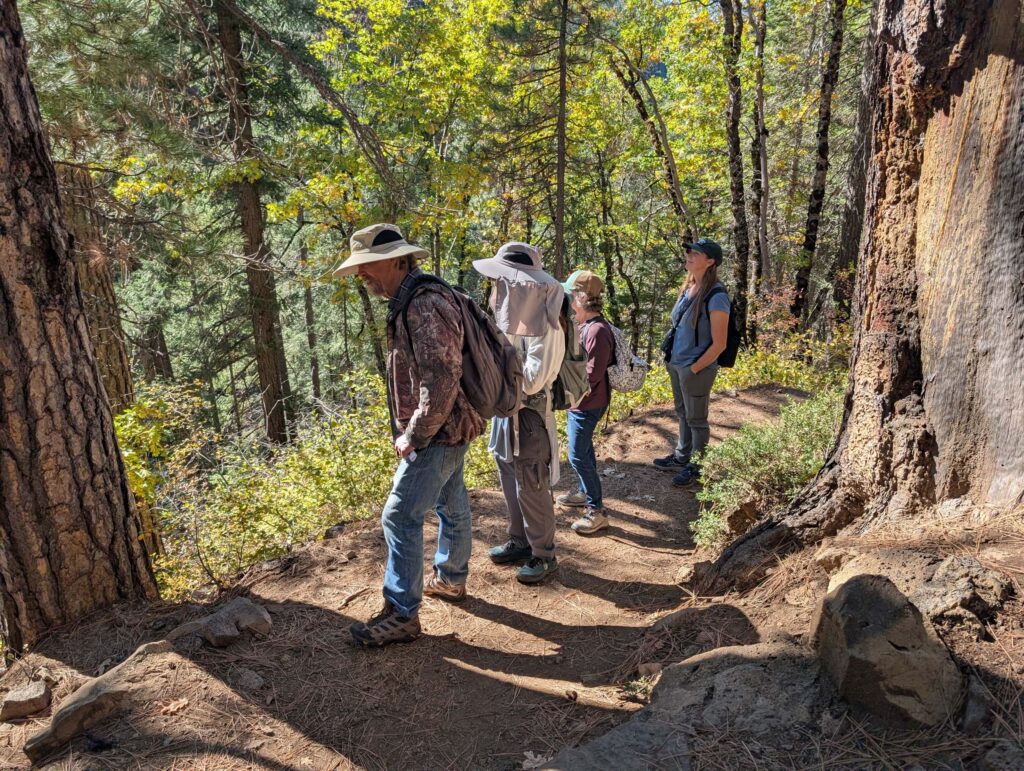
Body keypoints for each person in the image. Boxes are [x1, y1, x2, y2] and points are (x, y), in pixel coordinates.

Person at [334, 223, 485, 647]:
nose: (362, 275)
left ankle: (402, 613)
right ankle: (451, 579)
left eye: (369, 265)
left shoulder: (423, 304)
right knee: (451, 501)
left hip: (439, 431)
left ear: (398, 260)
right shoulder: (412, 299)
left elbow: (441, 378)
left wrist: (414, 435)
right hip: (451, 426)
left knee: (399, 516)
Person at [472, 242, 565, 584]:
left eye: (504, 280)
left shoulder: (549, 322)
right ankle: (519, 540)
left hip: (529, 418)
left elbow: (534, 378)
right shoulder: (510, 316)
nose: (498, 287)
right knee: (508, 476)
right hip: (504, 414)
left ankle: (544, 555)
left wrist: (494, 370)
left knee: (532, 483)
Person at [653, 238, 730, 488]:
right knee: (683, 413)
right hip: (677, 364)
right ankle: (681, 456)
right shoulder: (689, 288)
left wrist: (695, 367)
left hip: (696, 368)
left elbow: (720, 343)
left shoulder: (716, 295)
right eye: (689, 251)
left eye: (696, 253)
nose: (689, 255)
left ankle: (697, 466)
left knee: (697, 419)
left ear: (710, 262)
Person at [555, 270, 614, 535]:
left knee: (578, 455)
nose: (567, 298)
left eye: (570, 293)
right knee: (583, 451)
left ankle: (596, 510)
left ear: (581, 297)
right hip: (579, 403)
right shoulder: (585, 326)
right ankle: (583, 492)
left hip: (587, 404)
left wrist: (567, 392)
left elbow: (592, 374)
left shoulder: (598, 330)